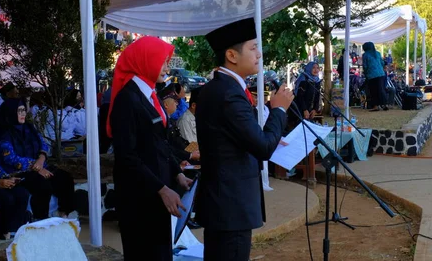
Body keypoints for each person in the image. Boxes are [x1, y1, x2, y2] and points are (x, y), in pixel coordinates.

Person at [196, 17, 293, 261]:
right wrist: (279, 110)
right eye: (253, 48)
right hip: (232, 206)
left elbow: (237, 137)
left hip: (222, 205)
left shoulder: (215, 89)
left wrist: (269, 134)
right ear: (231, 55)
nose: (259, 54)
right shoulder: (229, 94)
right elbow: (262, 148)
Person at [107, 36, 192, 261]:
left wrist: (177, 172)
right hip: (139, 198)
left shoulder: (149, 95)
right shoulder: (128, 99)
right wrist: (162, 188)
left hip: (156, 192)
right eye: (163, 61)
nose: (167, 67)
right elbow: (127, 156)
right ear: (146, 61)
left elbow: (159, 142)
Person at [0, 98, 76, 221]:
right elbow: (11, 159)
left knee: (64, 177)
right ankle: (40, 220)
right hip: (17, 172)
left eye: (24, 110)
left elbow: (42, 144)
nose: (23, 114)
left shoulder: (29, 128)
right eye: (19, 111)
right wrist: (36, 167)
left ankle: (63, 215)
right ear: (10, 112)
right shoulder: (3, 134)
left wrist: (41, 159)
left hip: (39, 166)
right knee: (42, 185)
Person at [362, 42, 388, 111]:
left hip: (371, 75)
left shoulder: (365, 55)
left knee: (373, 91)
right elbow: (382, 63)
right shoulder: (378, 53)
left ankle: (376, 106)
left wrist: (365, 73)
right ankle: (385, 104)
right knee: (381, 89)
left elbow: (365, 66)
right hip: (381, 74)